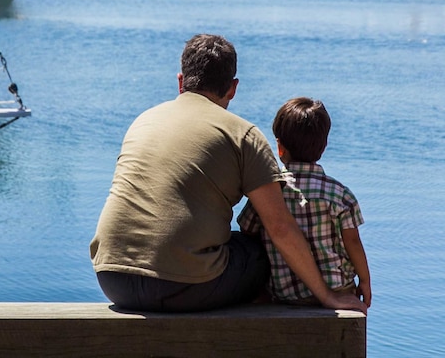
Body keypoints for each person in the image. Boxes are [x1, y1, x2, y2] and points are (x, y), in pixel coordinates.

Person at [89, 34, 367, 314]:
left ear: (181, 81)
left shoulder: (143, 121)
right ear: (233, 88)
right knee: (260, 251)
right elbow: (279, 228)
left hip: (112, 278)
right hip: (184, 287)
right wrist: (327, 297)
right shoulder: (243, 135)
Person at [238, 97, 371, 308]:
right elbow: (353, 243)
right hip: (338, 288)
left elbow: (247, 231)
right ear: (324, 146)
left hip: (285, 293)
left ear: (279, 147)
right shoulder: (341, 195)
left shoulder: (270, 193)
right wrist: (364, 281)